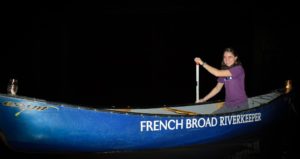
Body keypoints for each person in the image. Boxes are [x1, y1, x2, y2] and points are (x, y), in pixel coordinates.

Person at [194, 48, 248, 113]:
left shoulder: (238, 69)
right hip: (227, 106)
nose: (227, 59)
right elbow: (217, 88)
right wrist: (203, 99)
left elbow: (217, 73)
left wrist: (202, 63)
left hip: (240, 106)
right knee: (212, 117)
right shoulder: (224, 72)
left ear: (235, 58)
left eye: (230, 57)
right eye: (225, 57)